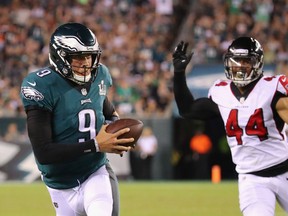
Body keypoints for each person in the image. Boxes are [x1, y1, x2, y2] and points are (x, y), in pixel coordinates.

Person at [20, 22, 134, 216]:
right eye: (79, 57)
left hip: (94, 172)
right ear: (60, 56)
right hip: (59, 185)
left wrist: (115, 124)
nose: (86, 63)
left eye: (89, 56)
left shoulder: (100, 75)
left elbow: (104, 105)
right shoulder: (40, 85)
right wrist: (96, 144)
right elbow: (43, 152)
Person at [172, 37, 288, 215]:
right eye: (236, 61)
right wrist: (179, 74)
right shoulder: (221, 92)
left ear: (257, 63)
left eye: (246, 61)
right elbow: (187, 110)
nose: (240, 66)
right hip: (252, 179)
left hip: (284, 170)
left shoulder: (273, 88)